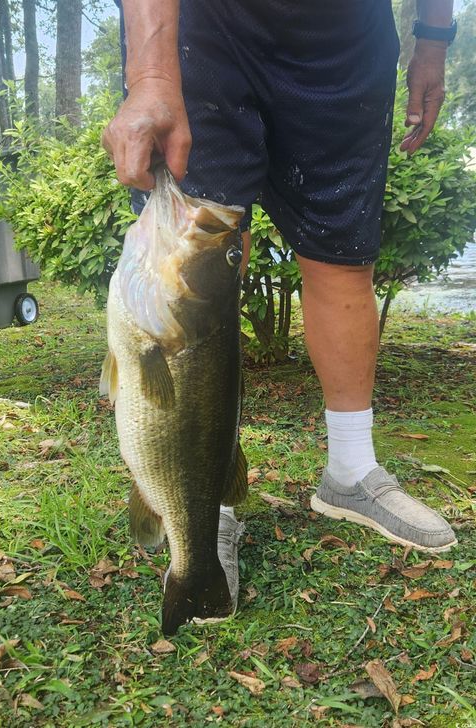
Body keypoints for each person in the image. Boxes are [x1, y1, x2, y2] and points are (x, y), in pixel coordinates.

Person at [104, 0, 458, 613]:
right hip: (201, 25)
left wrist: (433, 38)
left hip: (345, 40)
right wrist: (155, 78)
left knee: (343, 256)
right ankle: (204, 509)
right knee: (207, 232)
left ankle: (351, 472)